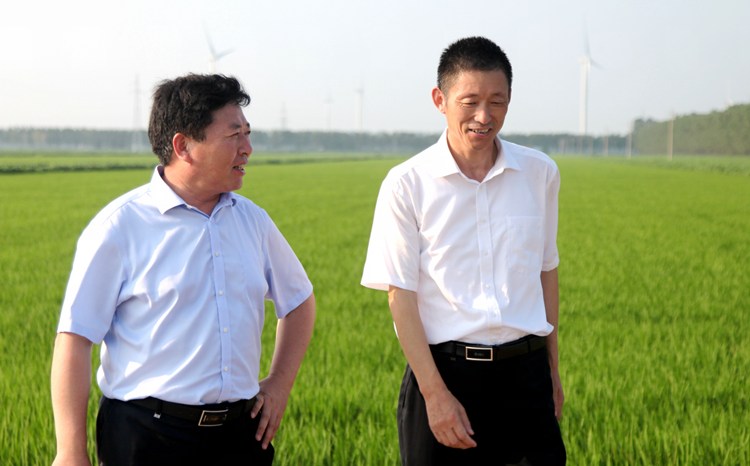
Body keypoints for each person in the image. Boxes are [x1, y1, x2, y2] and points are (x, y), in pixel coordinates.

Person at [51, 74, 315, 466]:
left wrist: (279, 383)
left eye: (247, 133)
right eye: (234, 135)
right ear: (183, 146)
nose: (248, 148)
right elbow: (75, 339)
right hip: (147, 438)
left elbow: (299, 301)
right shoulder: (120, 227)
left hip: (239, 436)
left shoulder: (253, 221)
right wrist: (71, 451)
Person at [361, 37, 566, 465]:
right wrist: (435, 395)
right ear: (440, 100)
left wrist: (552, 371)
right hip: (445, 375)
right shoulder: (406, 184)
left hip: (526, 378)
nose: (484, 116)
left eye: (497, 101)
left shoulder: (540, 173)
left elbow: (546, 271)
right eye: (469, 102)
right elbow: (400, 295)